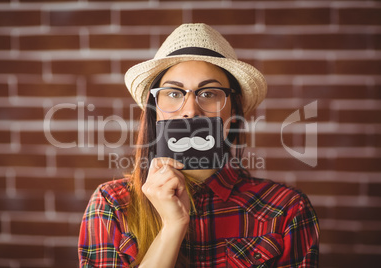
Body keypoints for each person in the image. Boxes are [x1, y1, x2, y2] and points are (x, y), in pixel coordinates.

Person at [78, 23, 320, 268]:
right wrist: (173, 226)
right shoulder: (112, 204)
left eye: (209, 93)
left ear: (232, 109)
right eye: (173, 93)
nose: (190, 110)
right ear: (155, 110)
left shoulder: (286, 209)